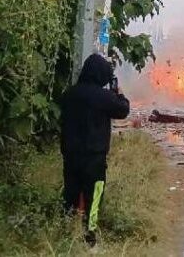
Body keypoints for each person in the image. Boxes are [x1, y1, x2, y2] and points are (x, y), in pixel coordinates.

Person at [59, 53, 130, 246]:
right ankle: (90, 235)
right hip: (94, 157)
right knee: (95, 195)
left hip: (70, 154)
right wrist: (119, 92)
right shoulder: (104, 97)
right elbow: (123, 110)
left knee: (71, 191)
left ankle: (66, 228)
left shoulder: (70, 94)